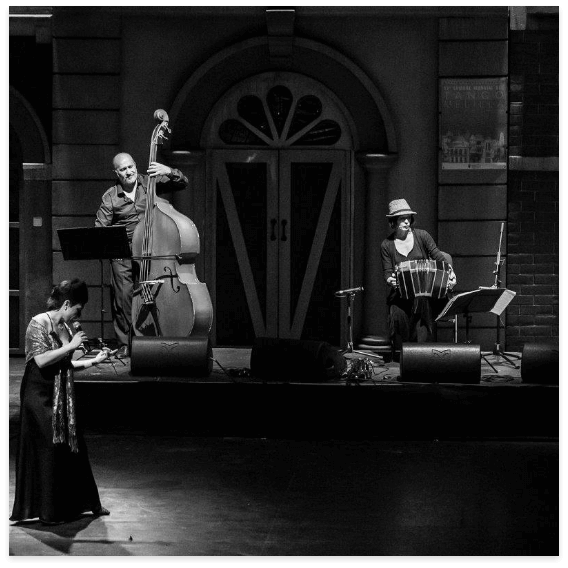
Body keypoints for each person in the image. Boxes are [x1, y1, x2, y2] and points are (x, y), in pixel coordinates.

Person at [10, 278, 112, 525]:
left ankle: (88, 504)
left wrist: (93, 361)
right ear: (67, 304)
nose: (80, 314)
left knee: (73, 445)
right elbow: (42, 361)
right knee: (50, 447)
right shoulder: (38, 324)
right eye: (78, 308)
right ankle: (48, 512)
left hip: (59, 394)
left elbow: (65, 363)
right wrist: (72, 346)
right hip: (38, 394)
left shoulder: (65, 328)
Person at [95, 153, 189, 358]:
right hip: (124, 251)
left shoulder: (150, 183)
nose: (128, 172)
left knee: (155, 292)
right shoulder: (110, 196)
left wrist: (168, 171)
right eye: (123, 169)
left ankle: (153, 338)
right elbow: (100, 228)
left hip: (151, 249)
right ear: (116, 173)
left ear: (135, 166)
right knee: (123, 297)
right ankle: (125, 343)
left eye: (131, 167)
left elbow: (183, 183)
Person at [380, 198, 456, 357]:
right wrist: (390, 280)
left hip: (427, 294)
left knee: (421, 300)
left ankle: (420, 353)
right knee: (398, 310)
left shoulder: (422, 236)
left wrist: (451, 274)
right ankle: (410, 351)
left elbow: (440, 259)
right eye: (402, 218)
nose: (407, 221)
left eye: (408, 217)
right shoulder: (387, 245)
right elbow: (387, 273)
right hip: (402, 295)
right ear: (393, 221)